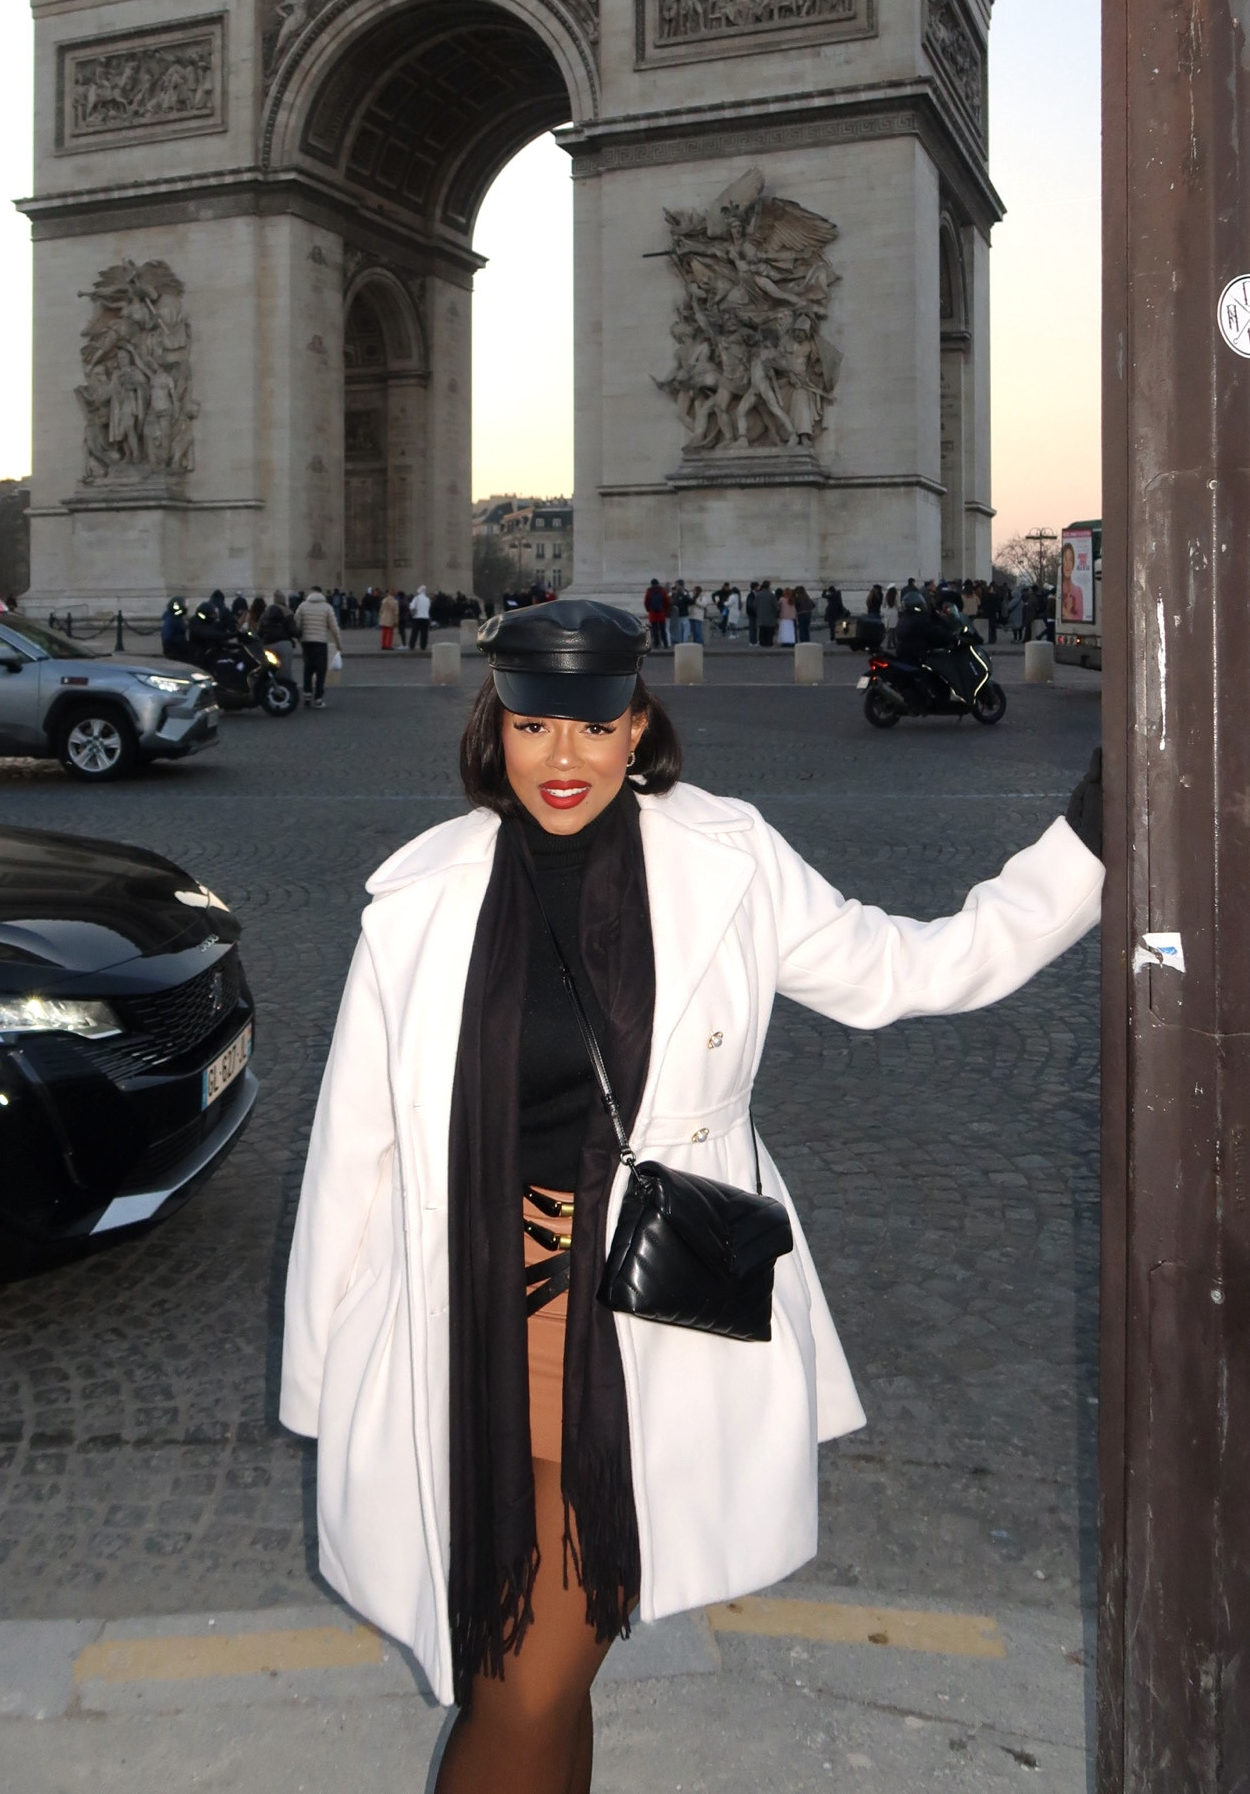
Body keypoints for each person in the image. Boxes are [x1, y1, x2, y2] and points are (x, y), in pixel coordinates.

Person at [280, 601, 1105, 1794]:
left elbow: (912, 969)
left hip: (641, 1337)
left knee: (533, 1675)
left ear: (638, 725)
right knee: (534, 1681)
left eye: (594, 725)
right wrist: (319, 1382)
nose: (563, 758)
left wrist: (1088, 841)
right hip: (462, 1339)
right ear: (492, 726)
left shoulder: (731, 861)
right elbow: (349, 1157)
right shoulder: (414, 904)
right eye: (533, 725)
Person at [293, 584, 342, 709]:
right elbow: (334, 629)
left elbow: (297, 625)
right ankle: (318, 699)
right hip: (321, 642)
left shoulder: (302, 606)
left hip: (307, 642)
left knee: (308, 670)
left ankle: (307, 696)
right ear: (321, 594)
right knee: (321, 672)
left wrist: (300, 640)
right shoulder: (327, 607)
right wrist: (338, 644)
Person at [643, 579, 669, 649]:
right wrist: (664, 610)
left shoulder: (649, 591)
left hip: (653, 614)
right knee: (663, 629)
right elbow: (666, 601)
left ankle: (656, 644)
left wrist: (649, 610)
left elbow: (646, 602)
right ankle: (665, 644)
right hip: (661, 613)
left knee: (655, 630)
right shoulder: (662, 591)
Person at [409, 585, 433, 652]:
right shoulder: (427, 599)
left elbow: (411, 606)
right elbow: (429, 607)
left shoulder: (416, 598)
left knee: (414, 632)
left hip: (417, 617)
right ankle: (423, 646)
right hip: (425, 618)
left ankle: (412, 645)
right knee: (424, 633)